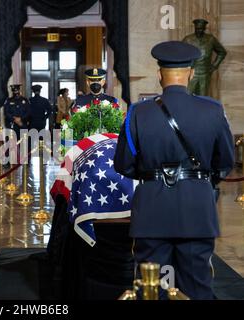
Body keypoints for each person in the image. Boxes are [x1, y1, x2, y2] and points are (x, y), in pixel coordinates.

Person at [114, 41, 234, 300]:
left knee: (151, 288)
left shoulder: (137, 112)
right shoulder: (213, 110)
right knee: (197, 286)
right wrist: (198, 181)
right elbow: (225, 161)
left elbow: (123, 164)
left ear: (159, 74)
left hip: (152, 212)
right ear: (191, 73)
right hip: (197, 209)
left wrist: (153, 176)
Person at [183, 19, 227, 96]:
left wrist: (214, 66)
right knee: (187, 96)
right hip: (191, 74)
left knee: (202, 98)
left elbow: (222, 52)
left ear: (204, 29)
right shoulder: (188, 39)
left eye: (201, 29)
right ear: (195, 28)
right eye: (197, 29)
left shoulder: (210, 39)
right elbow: (179, 53)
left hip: (205, 75)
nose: (199, 31)